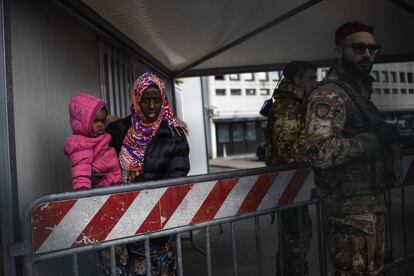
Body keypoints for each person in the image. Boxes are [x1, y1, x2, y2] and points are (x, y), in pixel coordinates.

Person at [304, 21, 401, 275]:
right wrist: (372, 140)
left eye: (372, 49)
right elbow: (319, 152)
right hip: (348, 214)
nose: (367, 54)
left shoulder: (358, 94)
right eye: (358, 48)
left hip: (370, 207)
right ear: (339, 51)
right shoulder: (330, 94)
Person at [98, 72, 190, 275]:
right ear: (137, 99)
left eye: (156, 100)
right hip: (121, 229)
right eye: (145, 100)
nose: (151, 106)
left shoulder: (175, 136)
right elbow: (97, 158)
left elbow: (177, 177)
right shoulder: (118, 130)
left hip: (158, 226)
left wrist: (145, 211)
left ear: (163, 100)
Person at [264, 61, 317, 275]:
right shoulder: (289, 106)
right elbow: (288, 151)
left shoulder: (297, 103)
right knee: (296, 243)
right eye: (311, 78)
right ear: (297, 80)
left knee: (296, 241)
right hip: (289, 187)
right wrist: (318, 139)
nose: (316, 82)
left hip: (295, 187)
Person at [64, 93, 121, 190]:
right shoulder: (81, 144)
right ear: (83, 122)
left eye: (103, 121)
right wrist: (83, 192)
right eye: (96, 121)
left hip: (113, 186)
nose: (100, 125)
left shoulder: (102, 137)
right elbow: (80, 171)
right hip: (99, 191)